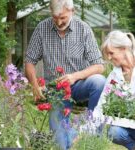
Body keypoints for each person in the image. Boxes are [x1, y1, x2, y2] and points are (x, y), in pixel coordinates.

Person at [25, 0, 106, 149]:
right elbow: (29, 61)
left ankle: (93, 131)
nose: (59, 22)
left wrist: (75, 76)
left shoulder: (83, 29)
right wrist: (35, 86)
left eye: (62, 17)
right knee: (60, 144)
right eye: (55, 17)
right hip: (56, 91)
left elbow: (99, 66)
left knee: (100, 82)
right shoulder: (42, 28)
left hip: (80, 85)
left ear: (72, 11)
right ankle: (74, 134)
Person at [94, 30, 135, 150]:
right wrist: (89, 127)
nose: (109, 57)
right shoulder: (114, 75)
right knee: (114, 132)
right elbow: (103, 102)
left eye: (111, 53)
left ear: (123, 49)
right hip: (129, 125)